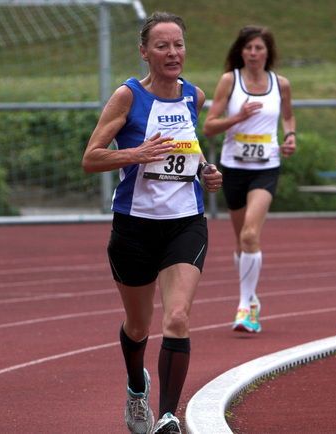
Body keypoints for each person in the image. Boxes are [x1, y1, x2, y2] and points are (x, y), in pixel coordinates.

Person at [82, 11, 222, 434]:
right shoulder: (127, 97)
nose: (172, 53)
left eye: (178, 44)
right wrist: (135, 154)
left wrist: (206, 171)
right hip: (134, 227)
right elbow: (91, 158)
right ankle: (135, 386)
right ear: (144, 52)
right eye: (162, 46)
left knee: (176, 318)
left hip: (185, 223)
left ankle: (167, 416)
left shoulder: (194, 96)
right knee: (139, 325)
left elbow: (188, 151)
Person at [203, 25, 296, 333]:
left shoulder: (281, 84)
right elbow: (209, 126)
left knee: (249, 235)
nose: (254, 53)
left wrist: (290, 136)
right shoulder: (229, 81)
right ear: (240, 51)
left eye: (259, 48)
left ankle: (245, 307)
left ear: (268, 52)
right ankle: (251, 297)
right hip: (234, 168)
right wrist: (238, 118)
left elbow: (288, 116)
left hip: (266, 168)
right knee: (241, 239)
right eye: (249, 48)